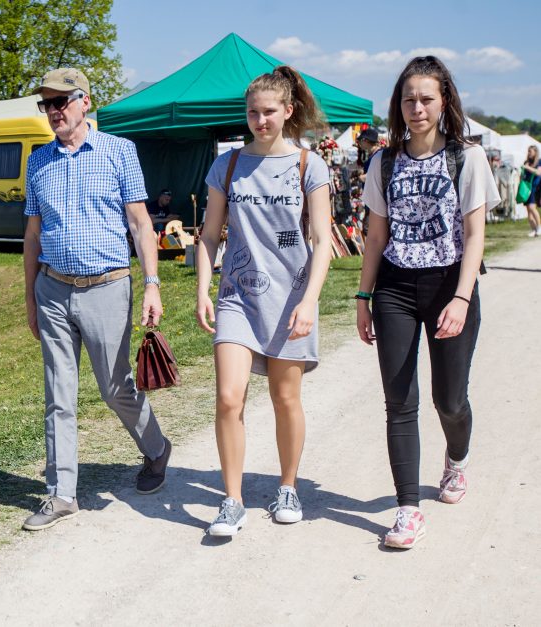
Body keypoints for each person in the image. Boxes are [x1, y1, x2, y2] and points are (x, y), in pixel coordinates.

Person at [357, 56, 500, 549]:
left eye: (426, 99)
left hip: (448, 285)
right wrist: (363, 296)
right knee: (399, 402)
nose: (416, 108)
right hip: (395, 287)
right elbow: (375, 238)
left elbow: (474, 234)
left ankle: (456, 461)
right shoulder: (384, 160)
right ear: (398, 104)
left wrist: (461, 297)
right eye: (408, 99)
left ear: (444, 103)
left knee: (449, 400)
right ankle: (408, 509)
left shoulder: (468, 158)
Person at [22, 68, 171, 531]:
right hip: (52, 289)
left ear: (85, 102)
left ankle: (157, 449)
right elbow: (32, 234)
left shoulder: (119, 151)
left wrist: (151, 283)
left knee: (114, 386)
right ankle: (61, 494)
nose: (53, 112)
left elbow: (142, 225)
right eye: (46, 104)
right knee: (58, 394)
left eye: (61, 102)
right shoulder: (38, 160)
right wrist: (29, 296)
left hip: (107, 286)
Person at [195, 66, 333, 537]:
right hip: (237, 296)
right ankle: (232, 500)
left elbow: (322, 240)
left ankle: (288, 486)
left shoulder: (308, 165)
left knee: (284, 397)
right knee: (229, 398)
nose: (260, 120)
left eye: (269, 111)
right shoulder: (227, 165)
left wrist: (310, 301)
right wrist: (202, 289)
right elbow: (209, 235)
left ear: (288, 110)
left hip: (291, 298)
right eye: (253, 112)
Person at [522, 146, 541, 237]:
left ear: (535, 152)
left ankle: (539, 227)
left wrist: (527, 167)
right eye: (528, 151)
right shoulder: (527, 162)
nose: (529, 153)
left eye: (530, 151)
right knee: (528, 211)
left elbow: (538, 173)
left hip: (534, 188)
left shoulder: (539, 162)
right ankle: (534, 229)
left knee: (532, 208)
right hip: (526, 189)